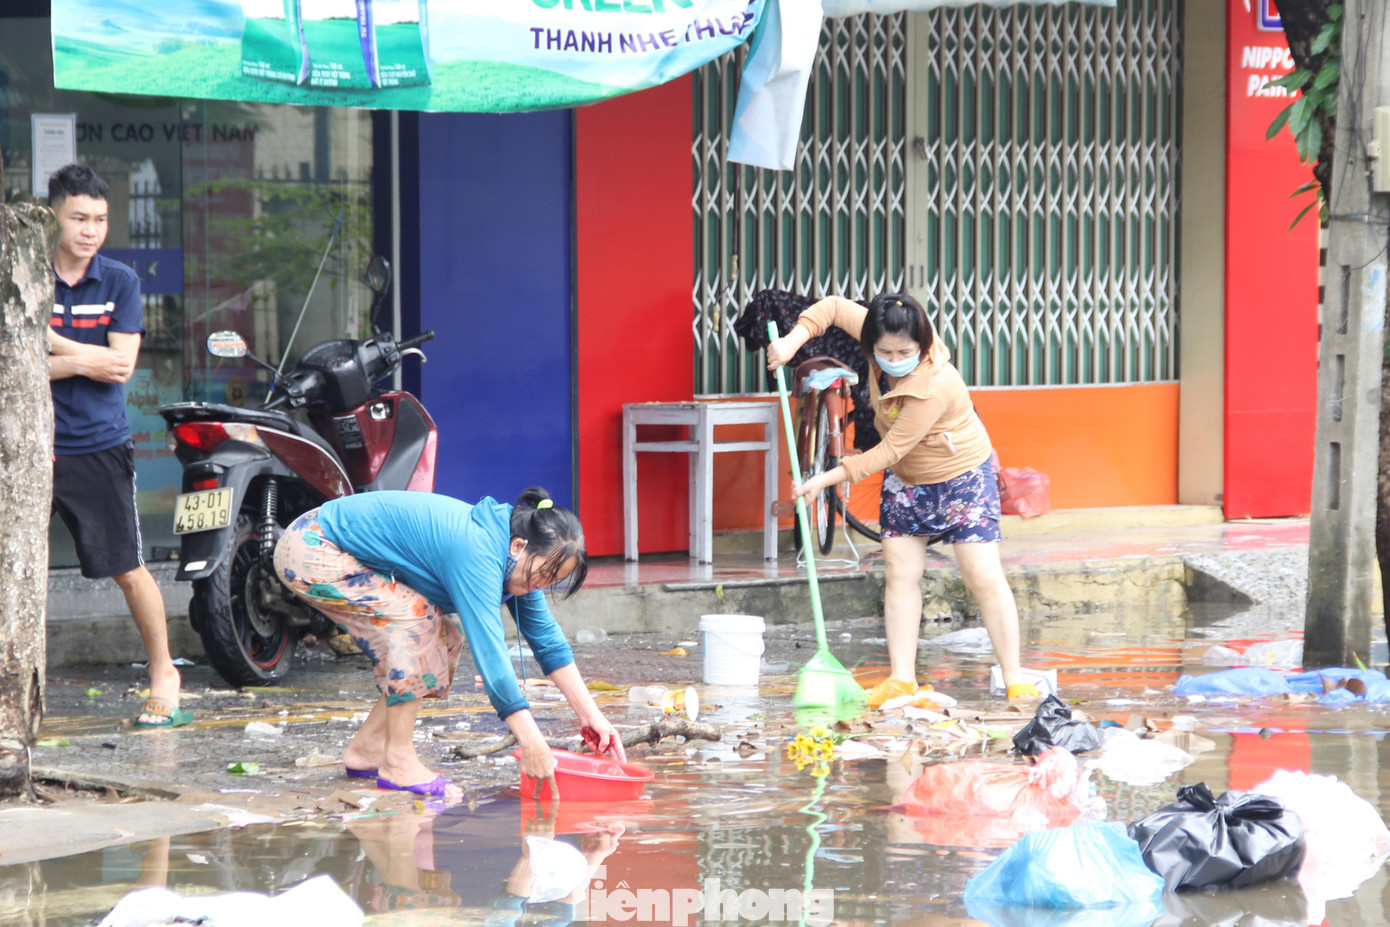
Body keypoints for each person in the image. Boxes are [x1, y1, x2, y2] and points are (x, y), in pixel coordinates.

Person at [766, 293, 1039, 706]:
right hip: (909, 478)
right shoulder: (879, 333)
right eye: (884, 351)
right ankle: (901, 679)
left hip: (962, 477)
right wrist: (792, 341)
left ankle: (1015, 676)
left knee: (981, 574)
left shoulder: (935, 384)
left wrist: (824, 479)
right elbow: (834, 308)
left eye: (904, 351)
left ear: (924, 344)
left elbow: (889, 450)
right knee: (899, 571)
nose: (893, 358)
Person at [273, 487, 625, 801]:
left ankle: (367, 750)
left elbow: (547, 642)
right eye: (544, 573)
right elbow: (491, 655)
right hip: (312, 545)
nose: (541, 584)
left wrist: (592, 717)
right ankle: (397, 762)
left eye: (552, 581)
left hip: (327, 547)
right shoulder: (477, 551)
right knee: (418, 621)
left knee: (447, 627)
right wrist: (532, 742)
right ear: (519, 546)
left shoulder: (518, 561)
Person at [45, 164, 188, 729]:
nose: (90, 230)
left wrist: (51, 346)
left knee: (128, 567)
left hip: (98, 445)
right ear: (52, 214)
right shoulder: (26, 277)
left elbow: (122, 368)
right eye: (79, 217)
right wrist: (90, 357)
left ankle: (164, 672)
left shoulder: (121, 282)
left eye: (100, 219)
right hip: (31, 450)